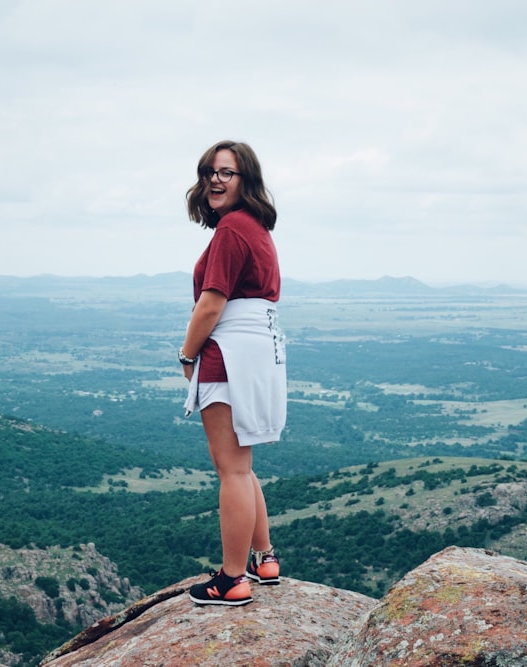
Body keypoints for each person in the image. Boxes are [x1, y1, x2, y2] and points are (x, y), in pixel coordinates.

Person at [179, 140, 287, 606]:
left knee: (232, 471)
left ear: (247, 181)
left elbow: (212, 302)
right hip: (259, 350)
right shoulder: (256, 228)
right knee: (243, 466)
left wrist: (187, 356)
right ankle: (264, 559)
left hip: (228, 351)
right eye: (209, 172)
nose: (215, 181)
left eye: (227, 173)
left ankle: (231, 579)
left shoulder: (231, 231)